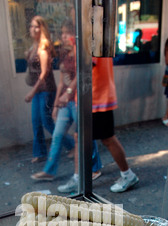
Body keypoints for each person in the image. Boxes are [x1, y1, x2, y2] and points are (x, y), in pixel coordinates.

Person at [58, 57, 138, 193]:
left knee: (108, 139)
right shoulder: (90, 37)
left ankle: (128, 175)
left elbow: (86, 67)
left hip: (97, 98)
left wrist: (68, 92)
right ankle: (78, 178)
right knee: (80, 137)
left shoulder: (92, 36)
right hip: (92, 97)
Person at [31, 20, 76, 181]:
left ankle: (94, 168)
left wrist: (68, 93)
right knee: (57, 135)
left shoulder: (80, 53)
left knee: (84, 138)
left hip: (77, 100)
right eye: (62, 33)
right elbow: (62, 81)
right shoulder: (64, 53)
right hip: (65, 101)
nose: (64, 36)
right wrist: (56, 103)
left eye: (67, 33)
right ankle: (49, 171)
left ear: (75, 35)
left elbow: (80, 76)